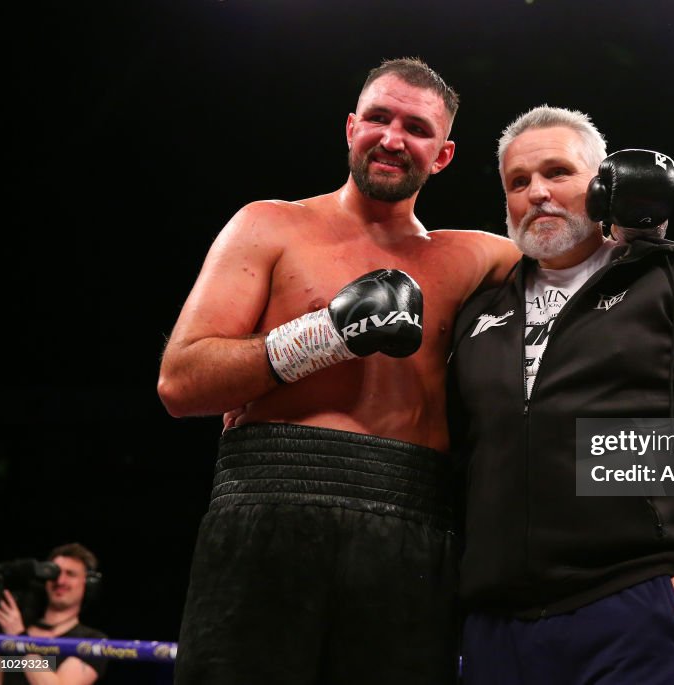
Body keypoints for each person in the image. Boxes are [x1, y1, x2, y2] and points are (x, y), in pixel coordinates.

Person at [156, 57, 518, 685]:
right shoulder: (269, 225)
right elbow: (181, 383)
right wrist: (324, 335)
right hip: (269, 506)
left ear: (444, 155)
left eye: (416, 127)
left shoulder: (476, 259)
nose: (392, 137)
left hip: (413, 525)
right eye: (377, 117)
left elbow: (582, 263)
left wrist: (632, 210)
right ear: (350, 127)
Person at [447, 106, 674, 685]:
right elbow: (458, 456)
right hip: (496, 625)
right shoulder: (481, 312)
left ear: (604, 184)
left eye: (557, 172)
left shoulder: (673, 281)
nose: (537, 192)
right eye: (518, 181)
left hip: (634, 608)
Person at [0, 544, 107, 685]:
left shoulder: (93, 641)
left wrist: (19, 639)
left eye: (70, 574)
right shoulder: (11, 630)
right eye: (55, 573)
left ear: (88, 584)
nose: (60, 581)